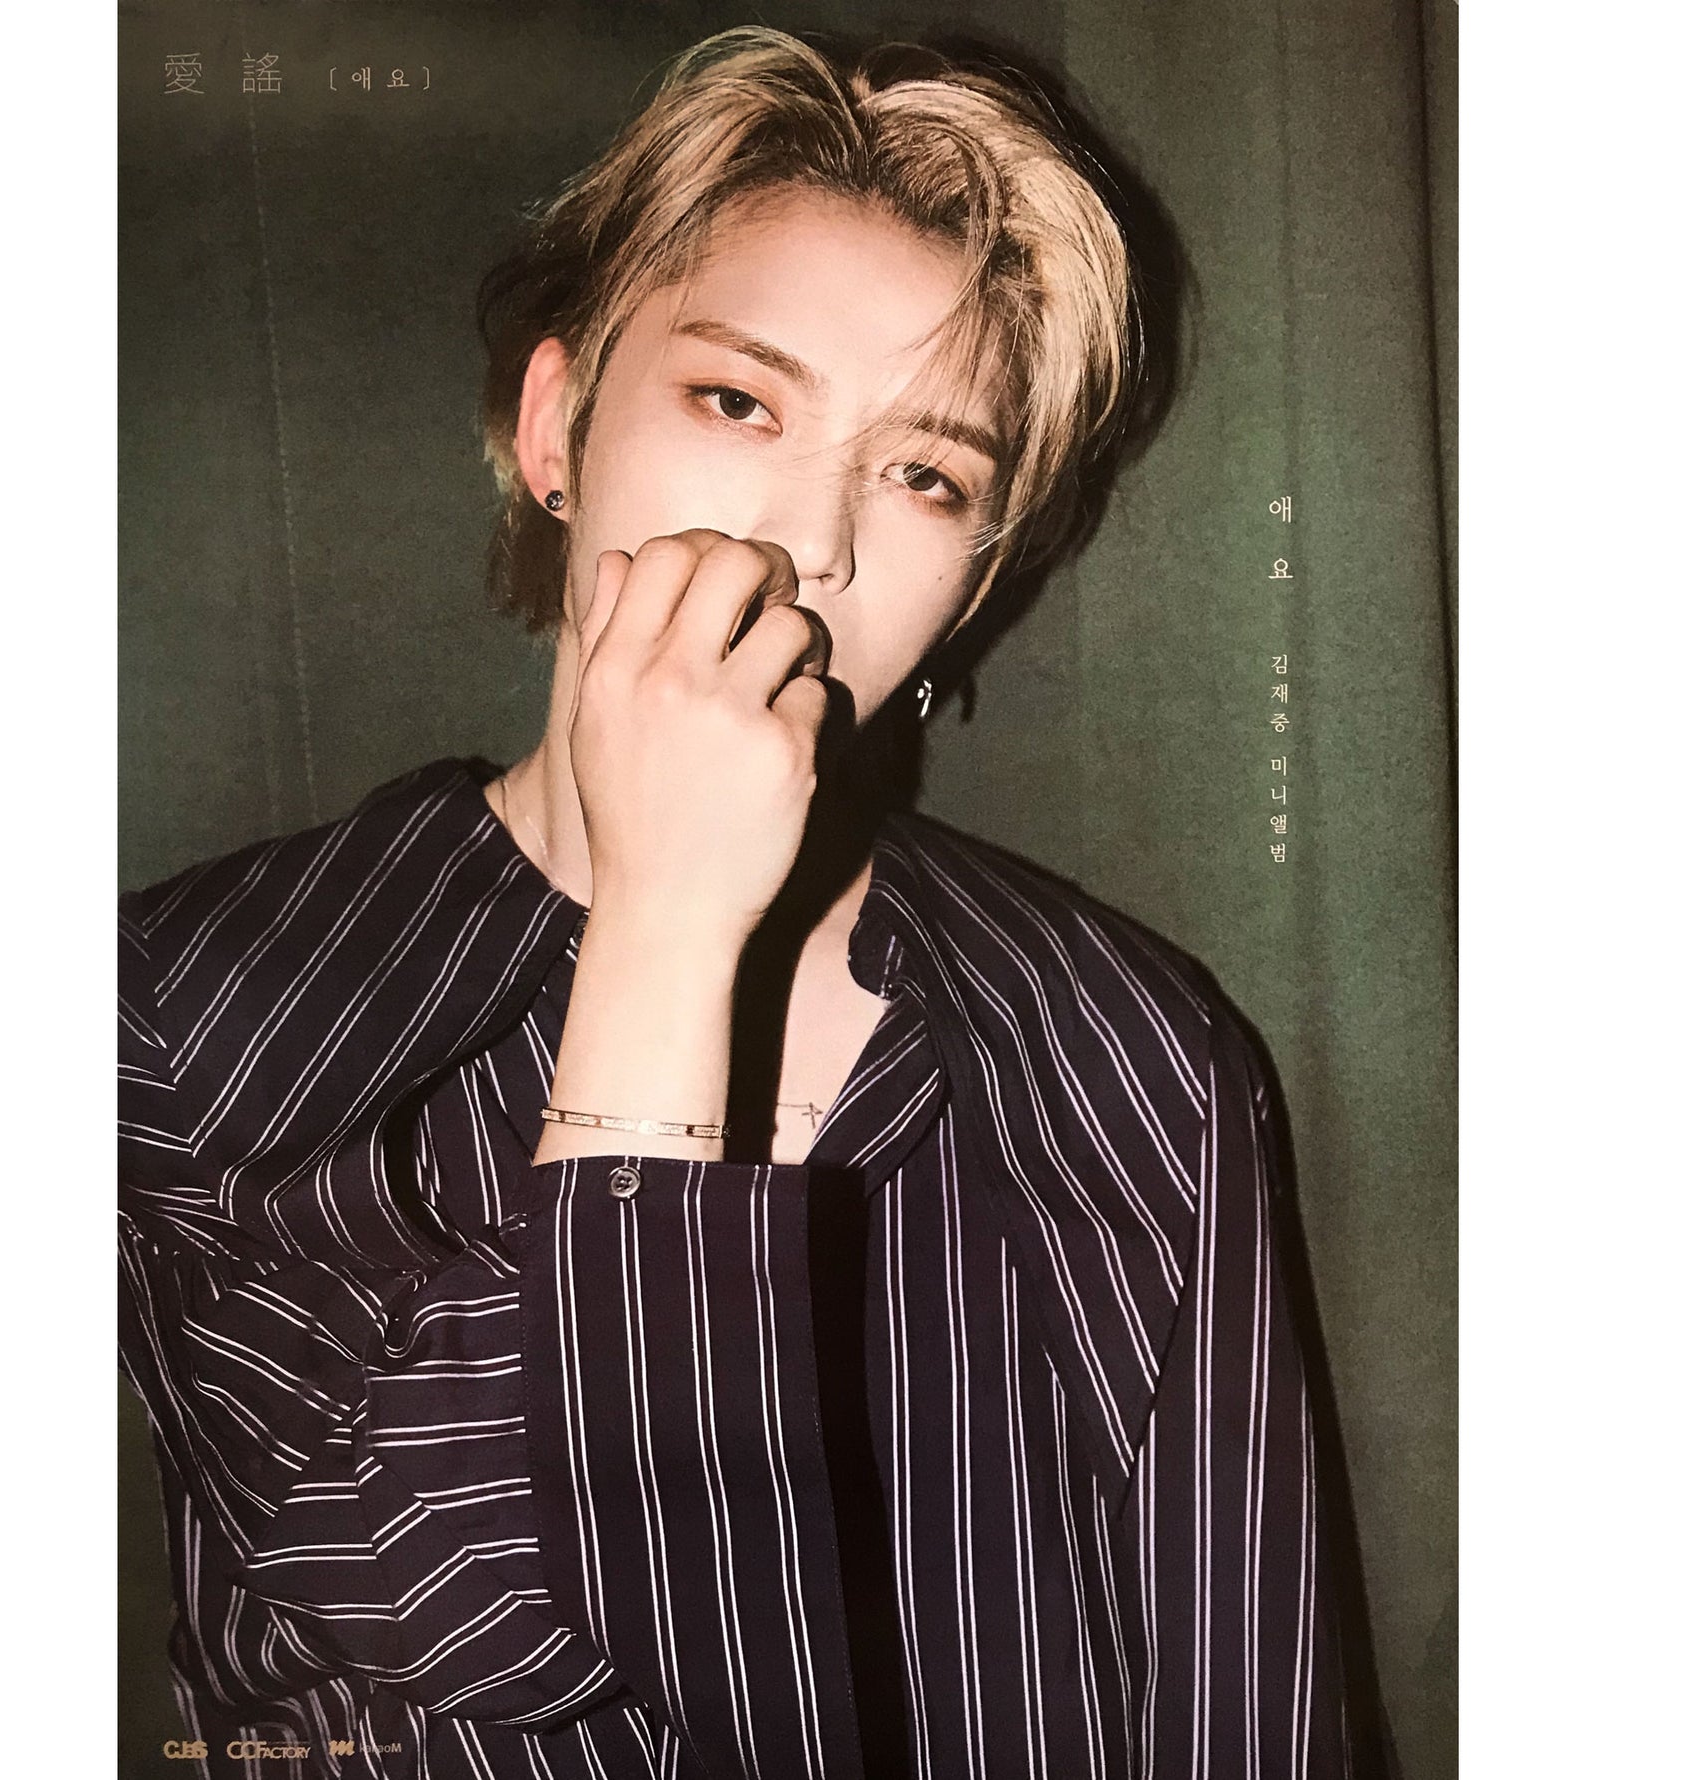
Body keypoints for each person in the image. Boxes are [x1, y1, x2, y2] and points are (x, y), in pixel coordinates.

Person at [119, 27, 1360, 1779]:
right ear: (554, 429)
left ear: (973, 582)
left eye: (926, 474)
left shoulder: (1132, 1051)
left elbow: (1256, 1705)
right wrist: (668, 930)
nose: (818, 538)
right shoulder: (188, 1005)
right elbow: (469, 1609)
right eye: (738, 402)